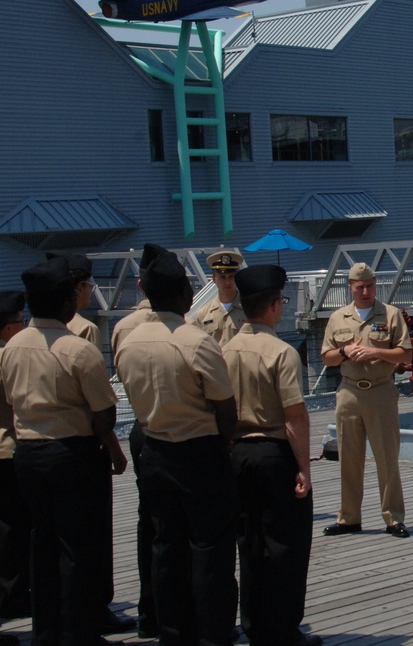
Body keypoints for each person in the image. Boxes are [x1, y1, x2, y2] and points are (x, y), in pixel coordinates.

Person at [1, 257, 127, 646]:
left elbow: (5, 404)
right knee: (78, 546)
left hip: (28, 453)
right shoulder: (77, 349)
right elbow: (104, 412)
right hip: (72, 454)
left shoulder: (12, 346)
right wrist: (115, 453)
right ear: (64, 302)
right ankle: (79, 633)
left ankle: (46, 630)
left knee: (42, 541)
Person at [115, 251, 239, 646]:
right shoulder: (195, 341)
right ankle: (212, 632)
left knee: (165, 546)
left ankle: (172, 631)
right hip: (197, 450)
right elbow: (224, 405)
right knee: (209, 548)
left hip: (152, 446)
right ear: (183, 293)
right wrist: (224, 447)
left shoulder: (127, 341)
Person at [222, 265, 321, 646]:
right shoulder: (281, 353)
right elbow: (294, 415)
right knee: (285, 545)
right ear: (274, 306)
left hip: (238, 451)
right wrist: (304, 469)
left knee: (248, 542)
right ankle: (281, 630)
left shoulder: (224, 350)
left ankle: (253, 624)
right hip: (274, 452)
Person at [320, 262, 412, 538]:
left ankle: (393, 517)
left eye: (370, 285)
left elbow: (405, 354)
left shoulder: (391, 315)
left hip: (381, 390)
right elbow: (327, 357)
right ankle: (349, 517)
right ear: (350, 287)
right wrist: (346, 351)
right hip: (348, 392)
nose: (365, 291)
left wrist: (375, 353)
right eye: (359, 286)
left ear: (375, 286)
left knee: (387, 457)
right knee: (349, 456)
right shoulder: (337, 318)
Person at [109, 242, 170, 639]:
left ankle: (150, 612)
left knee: (147, 522)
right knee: (178, 528)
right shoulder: (186, 324)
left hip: (141, 428)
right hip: (177, 433)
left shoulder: (122, 328)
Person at [0, 291, 30, 631]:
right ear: (8, 329)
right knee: (13, 525)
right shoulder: (6, 358)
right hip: (8, 447)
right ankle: (12, 592)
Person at [190, 249, 247, 345]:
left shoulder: (250, 311)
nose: (227, 282)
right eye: (222, 277)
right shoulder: (203, 315)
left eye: (231, 277)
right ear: (214, 279)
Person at [47, 253, 103, 349]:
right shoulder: (87, 329)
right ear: (80, 288)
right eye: (90, 285)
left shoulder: (41, 324)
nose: (91, 291)